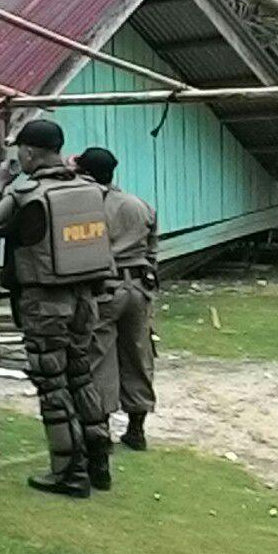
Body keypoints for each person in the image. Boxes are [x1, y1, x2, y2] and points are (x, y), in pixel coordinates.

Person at [0, 119, 114, 498]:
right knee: (82, 375)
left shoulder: (26, 193)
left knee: (52, 385)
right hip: (85, 297)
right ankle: (99, 462)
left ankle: (69, 472)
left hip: (45, 302)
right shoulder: (90, 188)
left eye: (21, 149)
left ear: (30, 152)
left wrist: (0, 185)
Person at [74, 147, 159, 451]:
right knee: (139, 354)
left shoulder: (85, 207)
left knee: (99, 357)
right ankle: (137, 429)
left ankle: (101, 429)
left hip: (104, 287)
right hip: (139, 286)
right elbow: (152, 249)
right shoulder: (140, 205)